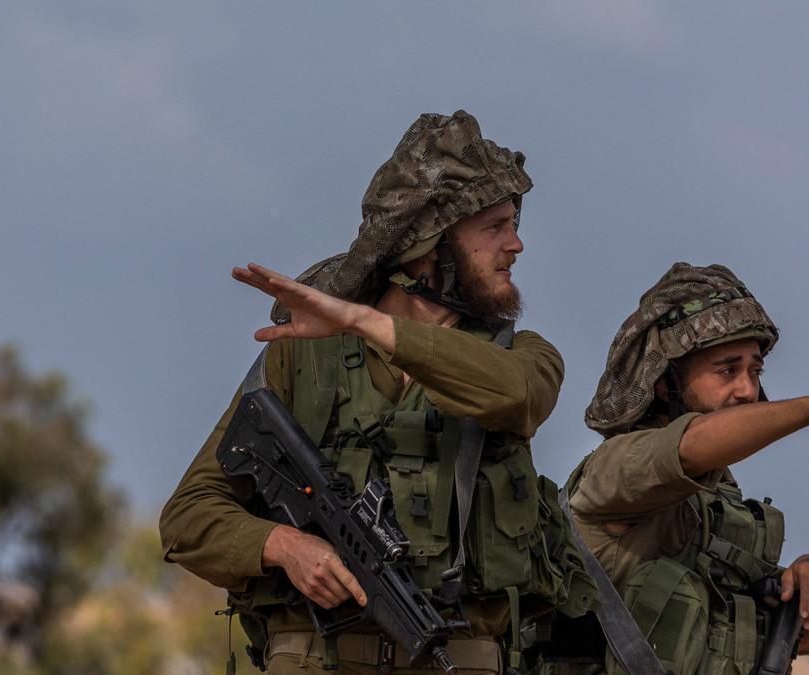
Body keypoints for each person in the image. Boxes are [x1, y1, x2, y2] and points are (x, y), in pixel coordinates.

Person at [160, 111, 594, 675]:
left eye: (513, 224)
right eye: (494, 227)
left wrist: (363, 321)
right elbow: (188, 518)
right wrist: (286, 548)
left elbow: (517, 396)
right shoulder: (302, 355)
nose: (516, 245)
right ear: (428, 247)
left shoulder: (521, 356)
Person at [566, 262, 809, 675]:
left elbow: (792, 637)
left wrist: (807, 585)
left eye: (755, 370)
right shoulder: (618, 467)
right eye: (727, 370)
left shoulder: (716, 496)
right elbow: (689, 446)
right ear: (664, 383)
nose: (748, 389)